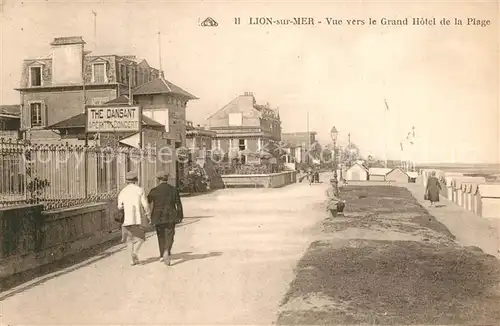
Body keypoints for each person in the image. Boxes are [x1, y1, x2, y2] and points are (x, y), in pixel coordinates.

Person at [147, 170, 184, 266]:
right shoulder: (173, 190)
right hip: (171, 215)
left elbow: (148, 201)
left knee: (160, 235)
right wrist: (180, 216)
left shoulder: (154, 190)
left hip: (157, 216)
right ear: (167, 179)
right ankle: (167, 250)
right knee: (170, 234)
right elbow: (178, 204)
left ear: (158, 179)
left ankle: (161, 254)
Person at [117, 171, 151, 266]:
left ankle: (131, 260)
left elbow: (119, 206)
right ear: (136, 180)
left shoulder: (123, 191)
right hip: (138, 218)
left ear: (127, 181)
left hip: (127, 219)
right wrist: (148, 214)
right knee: (141, 238)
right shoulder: (140, 190)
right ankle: (135, 252)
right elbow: (145, 204)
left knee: (129, 239)